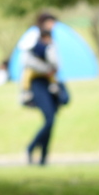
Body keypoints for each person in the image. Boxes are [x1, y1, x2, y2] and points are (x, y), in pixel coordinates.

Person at [23, 13, 63, 165]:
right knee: (50, 119)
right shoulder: (33, 36)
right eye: (50, 22)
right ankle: (31, 147)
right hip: (37, 82)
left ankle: (44, 157)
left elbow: (57, 63)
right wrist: (46, 68)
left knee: (51, 120)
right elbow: (27, 60)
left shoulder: (51, 40)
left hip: (50, 83)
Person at [19, 27, 59, 105]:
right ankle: (26, 92)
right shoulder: (33, 45)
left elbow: (54, 61)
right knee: (26, 75)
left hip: (47, 71)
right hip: (36, 70)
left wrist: (52, 69)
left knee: (52, 76)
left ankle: (54, 87)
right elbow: (28, 61)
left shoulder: (50, 47)